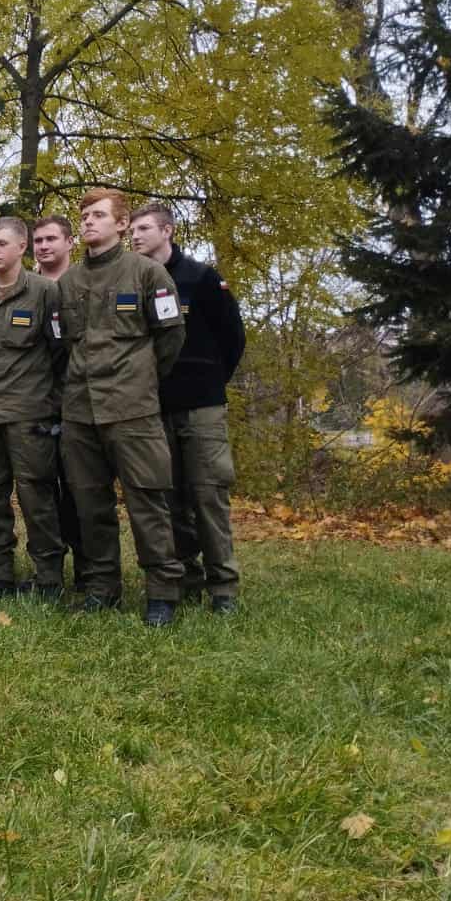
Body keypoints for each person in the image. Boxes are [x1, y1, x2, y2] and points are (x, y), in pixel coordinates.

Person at [56, 188, 186, 626]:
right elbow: (65, 344)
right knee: (90, 506)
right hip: (79, 411)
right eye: (85, 216)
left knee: (147, 502)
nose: (89, 222)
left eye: (98, 215)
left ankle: (163, 593)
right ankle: (101, 587)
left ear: (122, 223)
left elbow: (170, 338)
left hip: (132, 411)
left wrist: (141, 380)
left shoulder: (148, 274)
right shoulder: (70, 282)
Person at [128, 202, 246, 613]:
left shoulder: (202, 279)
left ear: (167, 231)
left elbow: (233, 339)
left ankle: (223, 588)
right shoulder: (137, 281)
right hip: (153, 407)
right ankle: (186, 578)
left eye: (143, 229)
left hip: (201, 407)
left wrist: (209, 382)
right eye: (132, 230)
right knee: (169, 496)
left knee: (208, 495)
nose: (135, 236)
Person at [0, 218, 66, 597]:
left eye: (1, 244)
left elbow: (60, 355)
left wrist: (51, 407)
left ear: (23, 247)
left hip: (27, 414)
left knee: (37, 495)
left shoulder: (44, 293)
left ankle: (49, 577)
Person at [31, 213, 83, 586]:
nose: (45, 246)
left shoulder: (82, 284)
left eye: (52, 239)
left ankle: (88, 570)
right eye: (38, 240)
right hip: (33, 405)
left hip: (80, 402)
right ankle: (48, 573)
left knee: (80, 492)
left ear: (69, 243)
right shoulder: (26, 288)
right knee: (40, 492)